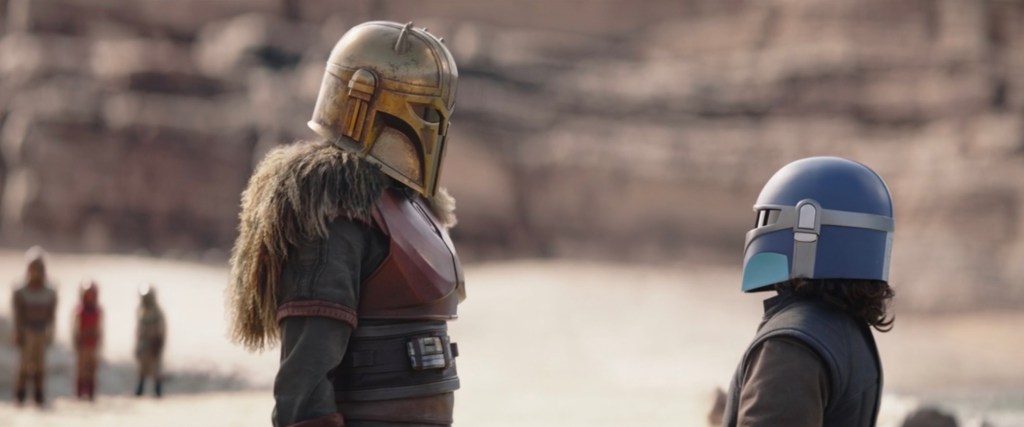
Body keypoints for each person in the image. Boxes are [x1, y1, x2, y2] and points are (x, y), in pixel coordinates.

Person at [228, 21, 465, 427]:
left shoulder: (405, 201)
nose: (432, 126)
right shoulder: (334, 203)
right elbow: (307, 366)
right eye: (422, 110)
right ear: (363, 98)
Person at [722, 157, 896, 427]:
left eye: (771, 217)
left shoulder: (791, 346)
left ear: (807, 230)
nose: (761, 229)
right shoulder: (845, 332)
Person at [11, 246, 58, 406]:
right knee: (24, 364)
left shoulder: (49, 292)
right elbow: (18, 314)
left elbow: (51, 315)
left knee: (40, 365)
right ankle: (20, 393)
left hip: (41, 331)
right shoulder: (21, 291)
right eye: (33, 268)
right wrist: (18, 332)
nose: (36, 272)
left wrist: (51, 332)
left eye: (39, 268)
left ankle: (39, 393)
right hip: (27, 331)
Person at [72, 279, 103, 401]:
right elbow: (75, 328)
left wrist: (99, 341)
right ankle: (79, 392)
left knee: (92, 369)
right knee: (81, 370)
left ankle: (91, 392)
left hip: (93, 344)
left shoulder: (97, 312)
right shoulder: (80, 311)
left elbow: (100, 328)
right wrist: (76, 341)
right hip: (83, 345)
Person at [135, 283, 166, 397]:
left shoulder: (157, 312)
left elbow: (161, 329)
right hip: (144, 345)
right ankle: (140, 390)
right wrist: (138, 345)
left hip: (154, 345)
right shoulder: (141, 312)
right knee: (142, 369)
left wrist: (159, 343)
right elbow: (139, 330)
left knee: (156, 370)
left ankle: (157, 391)